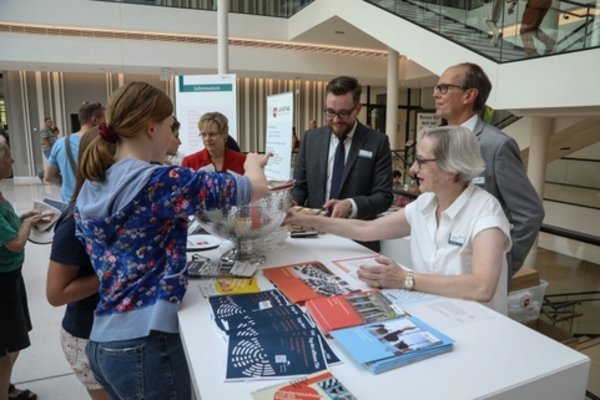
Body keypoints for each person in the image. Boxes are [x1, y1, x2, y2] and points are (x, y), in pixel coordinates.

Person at [74, 81, 269, 399]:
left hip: (102, 342)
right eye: (170, 124)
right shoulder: (160, 182)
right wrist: (251, 164)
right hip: (145, 344)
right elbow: (254, 189)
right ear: (151, 128)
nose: (172, 133)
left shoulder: (94, 184)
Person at [286, 126, 512, 314]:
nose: (413, 169)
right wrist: (306, 219)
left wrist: (405, 279)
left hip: (480, 326)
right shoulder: (426, 204)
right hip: (437, 313)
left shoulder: (485, 212)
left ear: (450, 169)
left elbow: (482, 287)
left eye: (421, 161)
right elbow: (367, 230)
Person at [433, 62, 544, 279]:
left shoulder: (496, 146)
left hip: (480, 273)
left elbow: (530, 213)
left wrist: (504, 264)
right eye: (437, 88)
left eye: (444, 88)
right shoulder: (437, 141)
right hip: (439, 264)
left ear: (469, 95)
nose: (436, 94)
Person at [292, 76, 393, 252]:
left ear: (358, 109)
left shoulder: (377, 142)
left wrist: (351, 205)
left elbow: (384, 196)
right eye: (330, 112)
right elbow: (300, 187)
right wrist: (292, 203)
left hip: (357, 242)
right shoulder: (311, 139)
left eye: (344, 113)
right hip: (313, 238)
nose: (336, 119)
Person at [46, 127, 110, 400]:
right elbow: (56, 293)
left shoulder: (105, 207)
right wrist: (116, 273)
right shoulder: (75, 220)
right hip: (86, 335)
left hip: (104, 330)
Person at [1, 135, 50, 400]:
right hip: (3, 282)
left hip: (11, 277)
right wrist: (28, 226)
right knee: (8, 344)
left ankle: (5, 385)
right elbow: (15, 244)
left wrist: (23, 218)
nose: (12, 159)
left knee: (13, 341)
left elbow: (7, 230)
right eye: (7, 155)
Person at [45, 102, 105, 203]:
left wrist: (69, 184)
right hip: (99, 204)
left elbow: (48, 177)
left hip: (70, 203)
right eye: (105, 120)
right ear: (95, 120)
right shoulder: (105, 144)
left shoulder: (61, 143)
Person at [182, 112, 246, 174]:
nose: (207, 139)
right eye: (203, 134)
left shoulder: (243, 161)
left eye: (212, 134)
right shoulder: (190, 162)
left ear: (224, 134)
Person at [37, 117, 56, 182]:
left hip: (52, 149)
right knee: (54, 163)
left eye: (51, 122)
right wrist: (51, 150)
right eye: (49, 122)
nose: (50, 123)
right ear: (45, 122)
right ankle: (41, 174)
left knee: (54, 163)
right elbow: (45, 140)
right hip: (49, 150)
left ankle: (42, 174)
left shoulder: (50, 130)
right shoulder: (44, 130)